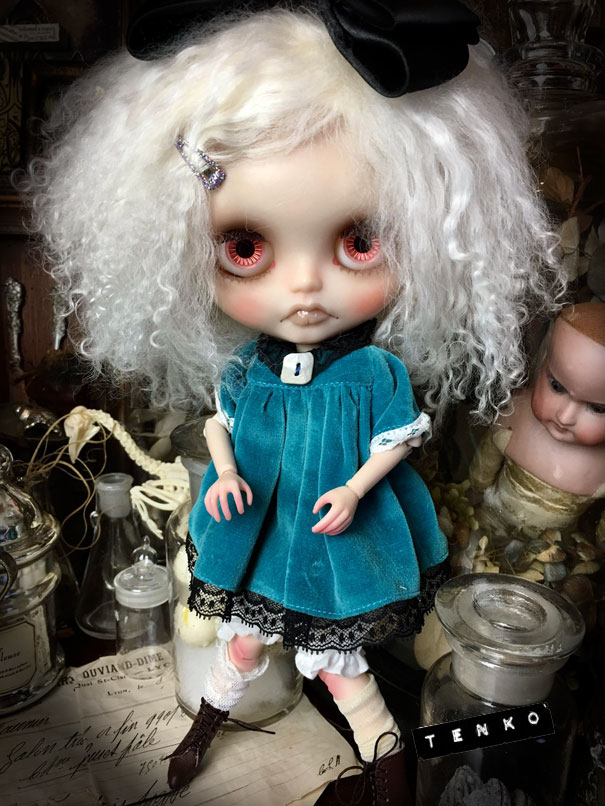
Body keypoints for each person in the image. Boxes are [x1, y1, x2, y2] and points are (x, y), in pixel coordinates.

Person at [24, 2, 564, 802]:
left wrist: (352, 489)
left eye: (358, 242)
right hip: (260, 530)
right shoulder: (248, 369)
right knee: (241, 646)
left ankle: (387, 768)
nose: (305, 288)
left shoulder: (372, 374)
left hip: (331, 541)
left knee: (341, 670)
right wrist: (223, 469)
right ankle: (203, 729)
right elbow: (219, 423)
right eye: (247, 247)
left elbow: (398, 438)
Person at [471, 302, 605, 546]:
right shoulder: (517, 411)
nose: (565, 417)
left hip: (557, 546)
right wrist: (477, 485)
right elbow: (485, 462)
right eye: (556, 386)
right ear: (543, 362)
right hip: (492, 519)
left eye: (597, 408)